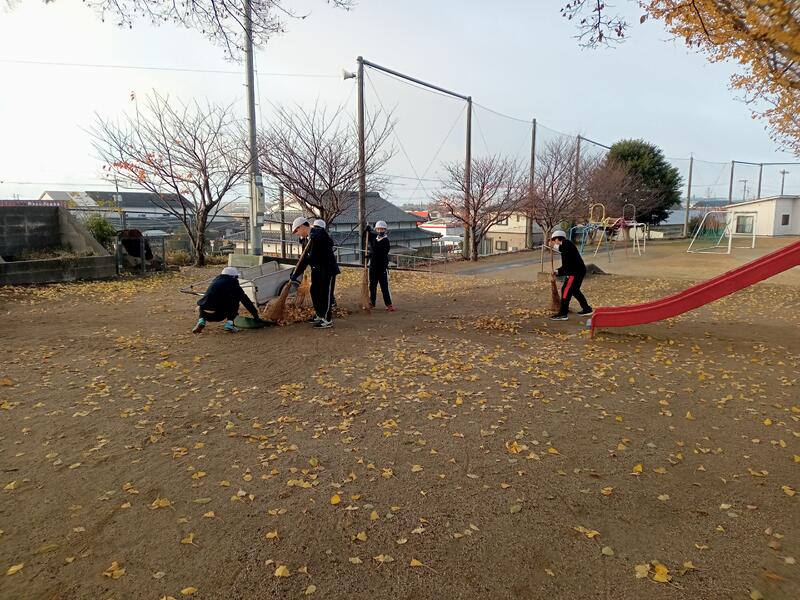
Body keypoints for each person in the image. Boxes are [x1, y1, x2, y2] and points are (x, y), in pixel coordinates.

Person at [291, 219, 340, 329]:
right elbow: (304, 259)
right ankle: (319, 314)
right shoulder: (306, 240)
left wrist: (315, 234)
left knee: (325, 294)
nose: (297, 234)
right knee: (315, 291)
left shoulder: (319, 233)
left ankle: (327, 319)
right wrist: (296, 274)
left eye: (296, 231)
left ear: (302, 226)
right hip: (316, 269)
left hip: (327, 269)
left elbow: (329, 241)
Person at [192, 266, 261, 333]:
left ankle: (201, 321)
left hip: (204, 313)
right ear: (233, 276)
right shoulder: (233, 282)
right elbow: (245, 300)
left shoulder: (215, 280)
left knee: (207, 300)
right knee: (235, 299)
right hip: (219, 315)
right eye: (236, 277)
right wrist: (255, 315)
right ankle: (229, 324)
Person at [550, 229, 593, 321]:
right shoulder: (567, 245)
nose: (554, 242)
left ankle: (563, 313)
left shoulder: (566, 244)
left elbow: (566, 265)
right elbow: (566, 264)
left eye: (554, 240)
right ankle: (586, 309)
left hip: (574, 272)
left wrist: (558, 272)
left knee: (566, 290)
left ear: (557, 239)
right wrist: (557, 271)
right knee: (575, 290)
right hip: (578, 271)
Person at [365, 220, 394, 311]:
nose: (380, 230)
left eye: (382, 229)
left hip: (382, 267)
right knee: (372, 286)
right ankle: (372, 303)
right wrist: (366, 230)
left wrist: (371, 255)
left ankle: (389, 304)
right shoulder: (375, 237)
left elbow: (380, 253)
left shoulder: (386, 241)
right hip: (373, 266)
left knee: (384, 287)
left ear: (385, 230)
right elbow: (366, 237)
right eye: (378, 229)